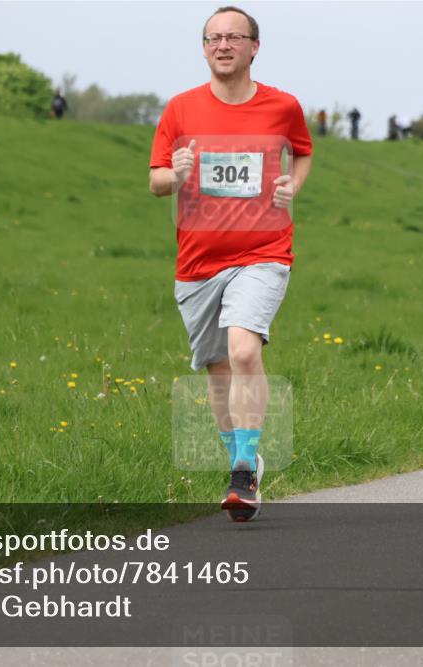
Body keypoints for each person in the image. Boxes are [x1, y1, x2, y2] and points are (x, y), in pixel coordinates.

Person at [148, 5, 313, 521]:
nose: (223, 45)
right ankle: (242, 462)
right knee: (219, 371)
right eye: (213, 37)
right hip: (198, 262)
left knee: (244, 351)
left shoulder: (282, 106)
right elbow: (155, 182)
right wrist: (174, 174)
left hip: (263, 251)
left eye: (234, 37)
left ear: (253, 47)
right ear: (203, 47)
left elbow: (302, 152)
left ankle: (243, 471)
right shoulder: (180, 109)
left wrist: (293, 184)